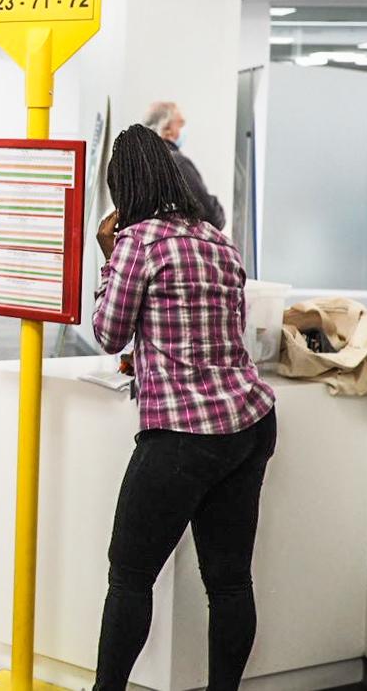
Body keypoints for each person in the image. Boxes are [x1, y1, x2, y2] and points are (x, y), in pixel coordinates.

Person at [91, 124, 276, 691]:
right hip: (249, 422)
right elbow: (217, 329)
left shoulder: (136, 241)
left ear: (123, 186)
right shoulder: (217, 239)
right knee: (229, 582)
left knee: (129, 576)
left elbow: (107, 332)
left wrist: (107, 256)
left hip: (182, 433)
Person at [143, 101, 225, 230]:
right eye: (181, 123)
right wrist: (214, 204)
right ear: (166, 129)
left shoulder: (142, 164)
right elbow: (211, 216)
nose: (184, 128)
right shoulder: (176, 163)